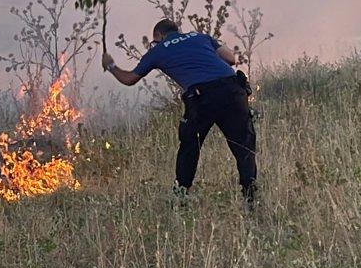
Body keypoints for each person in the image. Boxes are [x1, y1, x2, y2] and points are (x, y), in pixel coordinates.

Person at [101, 19, 257, 203]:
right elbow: (231, 59)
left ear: (159, 35)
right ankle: (251, 198)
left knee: (189, 147)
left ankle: (181, 197)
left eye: (155, 41)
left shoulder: (158, 50)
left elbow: (129, 79)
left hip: (202, 96)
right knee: (243, 146)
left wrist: (110, 65)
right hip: (234, 90)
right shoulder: (201, 37)